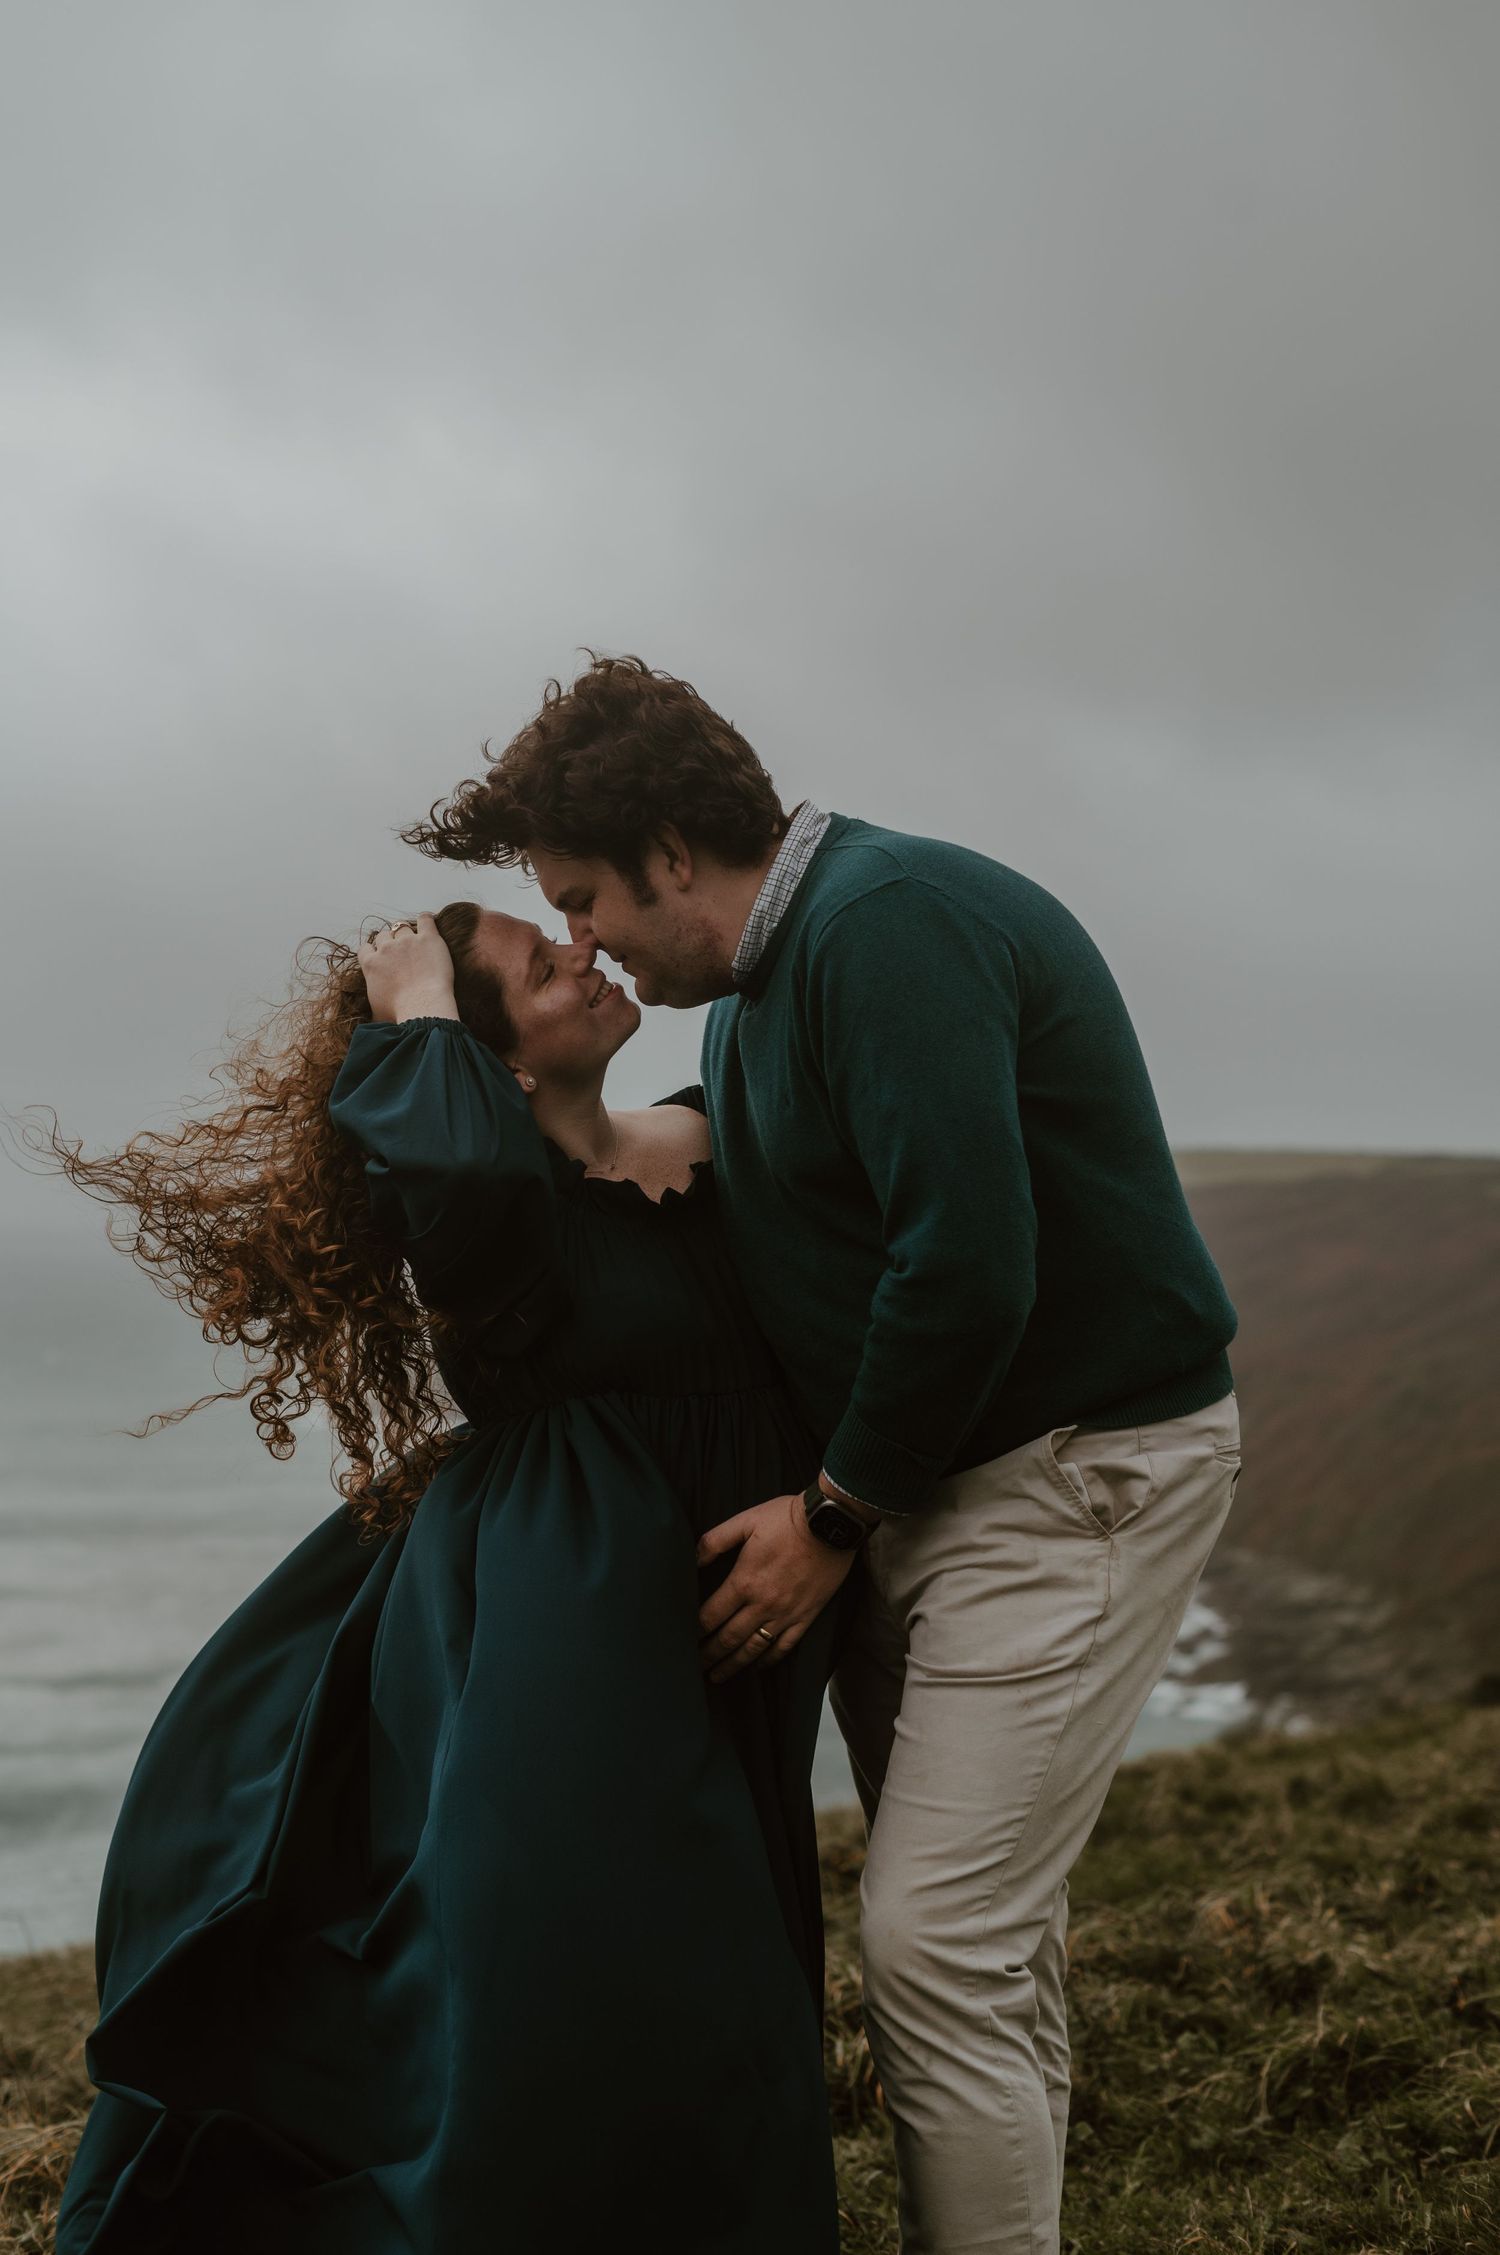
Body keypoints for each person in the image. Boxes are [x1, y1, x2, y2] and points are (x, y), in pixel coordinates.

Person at [407, 652, 1244, 2255]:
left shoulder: (884, 929)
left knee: (938, 1943)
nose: (583, 937)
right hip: (938, 1488)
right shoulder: (761, 997)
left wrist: (835, 1512)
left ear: (670, 851)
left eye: (586, 895)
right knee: (981, 1943)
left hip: (1069, 1477)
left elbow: (968, 1265)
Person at [47, 900, 841, 2255]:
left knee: (742, 1947)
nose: (586, 952)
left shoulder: (709, 1128)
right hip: (569, 1610)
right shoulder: (475, 1203)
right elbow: (467, 1178)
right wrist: (416, 1001)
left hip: (748, 1582)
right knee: (616, 1954)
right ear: (492, 1070)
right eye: (544, 964)